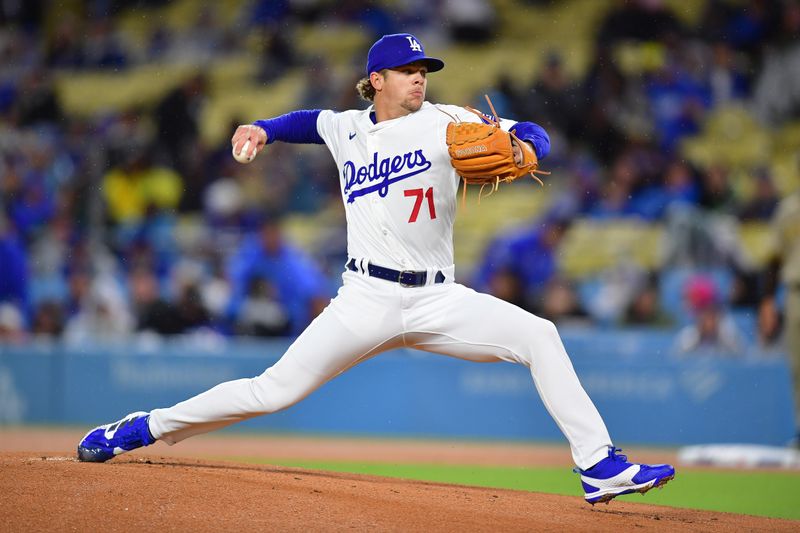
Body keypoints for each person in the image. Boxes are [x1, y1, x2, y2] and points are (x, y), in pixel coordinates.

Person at [76, 33, 675, 505]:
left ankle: (598, 465)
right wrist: (263, 128)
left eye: (425, 70)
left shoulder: (450, 119)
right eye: (410, 70)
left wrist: (526, 146)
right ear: (376, 80)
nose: (420, 77)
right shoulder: (348, 128)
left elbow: (531, 130)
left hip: (439, 299)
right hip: (365, 298)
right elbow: (309, 121)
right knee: (271, 392)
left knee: (541, 336)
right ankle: (144, 427)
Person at [759, 188, 800, 448]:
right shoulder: (790, 209)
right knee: (798, 367)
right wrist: (768, 300)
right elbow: (774, 258)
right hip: (796, 292)